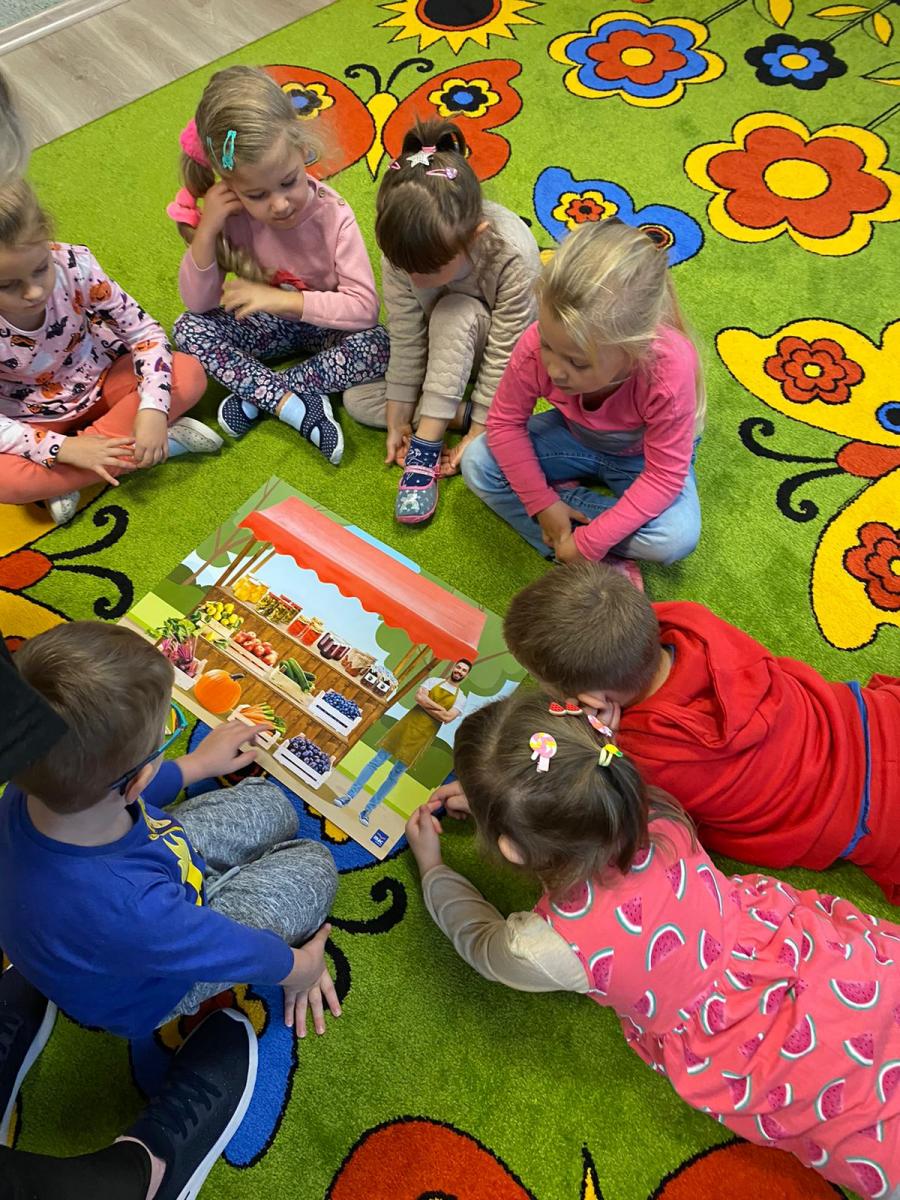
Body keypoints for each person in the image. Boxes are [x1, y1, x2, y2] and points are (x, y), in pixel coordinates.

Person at [407, 691, 900, 1200]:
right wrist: (510, 802)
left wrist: (434, 869)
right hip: (813, 960)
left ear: (511, 848)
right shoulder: (653, 807)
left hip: (756, 1052)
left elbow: (483, 945)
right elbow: (576, 781)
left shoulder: (548, 946)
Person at [498, 560, 900, 903]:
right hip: (872, 717)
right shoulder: (688, 621)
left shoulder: (643, 754)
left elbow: (622, 820)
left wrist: (605, 743)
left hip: (865, 812)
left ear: (593, 698)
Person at [170, 65, 389, 465]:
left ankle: (264, 397)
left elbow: (364, 309)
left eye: (289, 182)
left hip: (325, 326)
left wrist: (281, 300)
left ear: (302, 150)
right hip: (268, 325)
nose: (280, 204)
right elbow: (198, 304)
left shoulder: (334, 214)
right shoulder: (230, 215)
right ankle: (297, 405)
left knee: (380, 345)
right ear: (229, 186)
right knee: (188, 328)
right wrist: (208, 229)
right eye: (256, 195)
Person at [460, 219, 703, 577]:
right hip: (573, 439)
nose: (555, 370)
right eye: (547, 344)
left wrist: (590, 541)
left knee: (675, 537)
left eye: (577, 362)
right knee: (478, 463)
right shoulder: (537, 344)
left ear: (634, 351)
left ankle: (578, 540)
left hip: (641, 458)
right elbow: (505, 424)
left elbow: (664, 476)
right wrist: (542, 503)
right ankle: (580, 542)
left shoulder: (668, 370)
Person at [352, 118, 540, 524]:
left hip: (500, 356)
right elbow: (406, 332)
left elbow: (509, 351)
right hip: (443, 361)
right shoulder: (403, 249)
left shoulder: (511, 253)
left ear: (475, 236)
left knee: (454, 309)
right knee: (359, 401)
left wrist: (482, 427)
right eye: (406, 269)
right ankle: (455, 412)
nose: (414, 279)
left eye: (428, 270)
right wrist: (399, 411)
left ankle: (429, 440)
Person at [0, 181, 216, 526]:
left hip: (102, 377)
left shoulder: (73, 264)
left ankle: (71, 477)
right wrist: (63, 449)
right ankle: (149, 451)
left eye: (41, 268)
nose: (34, 292)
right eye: (7, 285)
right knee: (5, 481)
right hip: (30, 416)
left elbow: (144, 332)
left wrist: (152, 409)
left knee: (187, 374)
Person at [335, 659, 471, 827]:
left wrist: (428, 704)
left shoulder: (461, 699)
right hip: (406, 726)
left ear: (466, 675)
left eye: (464, 670)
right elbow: (419, 698)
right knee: (376, 761)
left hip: (423, 737)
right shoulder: (433, 681)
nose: (459, 671)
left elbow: (447, 718)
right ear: (454, 667)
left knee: (395, 775)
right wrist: (440, 709)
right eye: (458, 667)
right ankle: (348, 795)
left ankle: (368, 810)